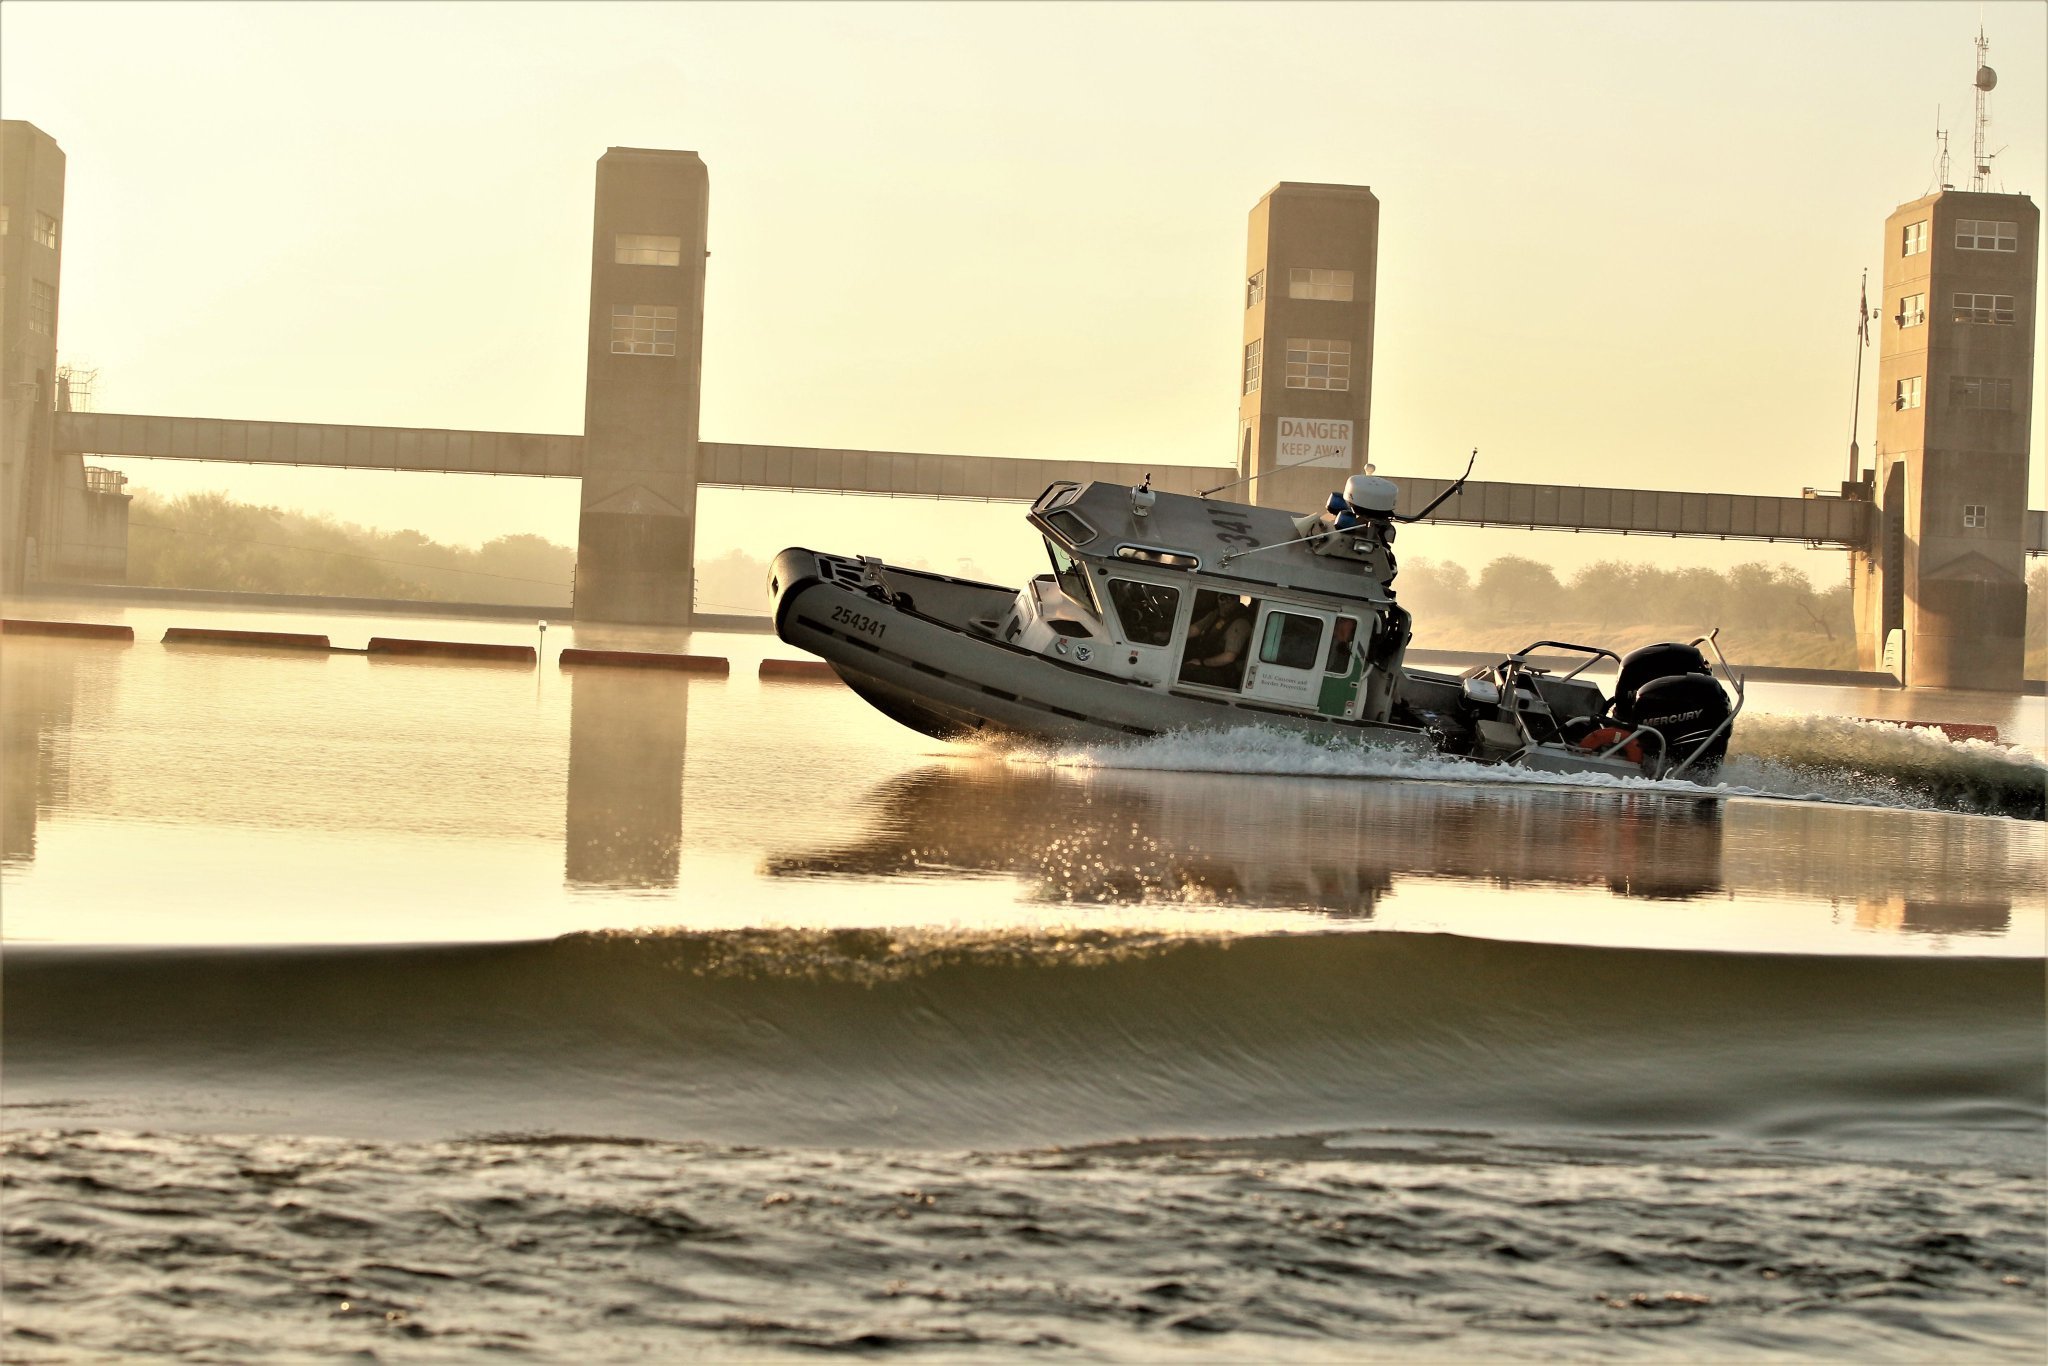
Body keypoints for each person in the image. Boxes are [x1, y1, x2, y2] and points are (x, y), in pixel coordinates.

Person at [1179, 596, 1254, 687]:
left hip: (1227, 673)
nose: (1225, 602)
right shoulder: (1216, 615)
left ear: (1237, 601)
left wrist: (1202, 662)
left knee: (1185, 670)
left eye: (1230, 599)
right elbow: (1194, 630)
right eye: (1222, 598)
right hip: (1211, 661)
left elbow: (1229, 657)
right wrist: (1171, 635)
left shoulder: (1240, 623)